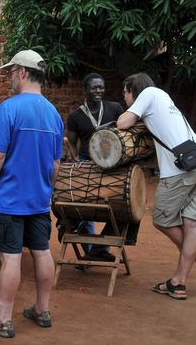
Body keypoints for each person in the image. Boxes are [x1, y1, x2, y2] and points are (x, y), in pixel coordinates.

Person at [0, 50, 63, 338]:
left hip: (10, 200)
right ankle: (42, 309)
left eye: (10, 72)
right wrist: (44, 190)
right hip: (39, 199)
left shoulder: (9, 108)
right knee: (42, 252)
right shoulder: (53, 113)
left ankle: (3, 319)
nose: (9, 78)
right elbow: (55, 164)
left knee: (10, 258)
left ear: (22, 72)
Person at [117, 72, 196, 300]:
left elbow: (122, 122)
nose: (124, 98)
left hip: (179, 170)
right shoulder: (163, 97)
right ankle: (184, 280)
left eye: (125, 93)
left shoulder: (147, 93)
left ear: (132, 90)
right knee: (192, 224)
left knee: (162, 220)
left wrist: (130, 113)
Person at [65, 73, 125, 261]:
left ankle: (101, 247)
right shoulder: (75, 116)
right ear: (84, 90)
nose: (99, 91)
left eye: (101, 87)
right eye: (94, 88)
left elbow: (124, 134)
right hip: (87, 164)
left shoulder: (114, 108)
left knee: (116, 207)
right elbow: (72, 144)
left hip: (112, 164)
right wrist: (74, 160)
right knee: (85, 210)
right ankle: (89, 251)